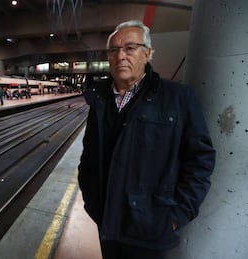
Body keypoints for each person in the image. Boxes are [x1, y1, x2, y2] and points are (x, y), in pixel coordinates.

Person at [77, 20, 216, 259]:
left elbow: (200, 159)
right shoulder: (99, 101)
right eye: (114, 50)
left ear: (148, 53)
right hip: (107, 223)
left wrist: (176, 216)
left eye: (130, 48)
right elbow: (88, 157)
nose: (121, 56)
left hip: (151, 229)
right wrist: (92, 201)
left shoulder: (178, 98)